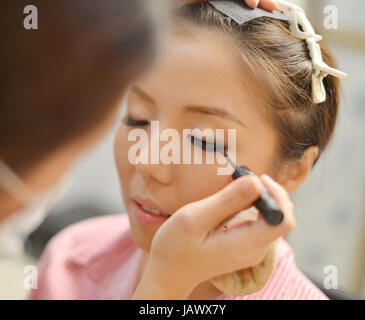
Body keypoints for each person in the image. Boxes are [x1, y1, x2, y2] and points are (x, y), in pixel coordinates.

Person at [29, 1, 345, 300]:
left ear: (295, 169)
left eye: (202, 141)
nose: (148, 161)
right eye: (137, 119)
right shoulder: (69, 263)